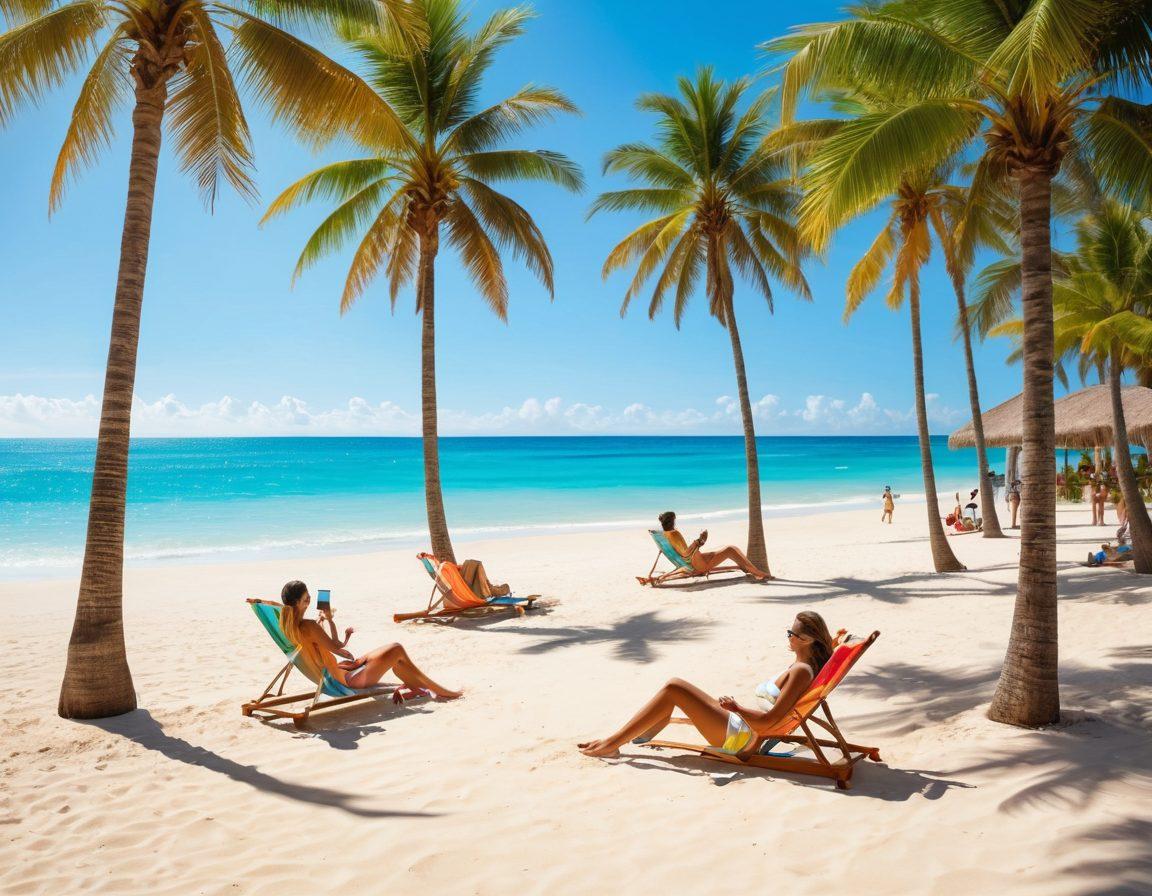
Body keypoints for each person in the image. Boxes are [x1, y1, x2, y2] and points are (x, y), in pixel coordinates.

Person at [577, 611, 835, 758]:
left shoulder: (801, 671)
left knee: (673, 688)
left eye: (792, 634)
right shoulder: (804, 665)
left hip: (744, 739)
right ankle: (641, 730)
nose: (788, 637)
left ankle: (612, 744)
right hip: (746, 728)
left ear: (808, 640)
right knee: (675, 688)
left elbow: (770, 721)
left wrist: (737, 709)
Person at [278, 580, 461, 698]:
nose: (309, 600)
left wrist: (326, 623)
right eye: (306, 598)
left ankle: (418, 686)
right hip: (347, 681)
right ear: (296, 603)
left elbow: (326, 647)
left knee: (394, 656)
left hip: (338, 673)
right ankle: (440, 691)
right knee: (396, 649)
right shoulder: (309, 626)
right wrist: (329, 621)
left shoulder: (287, 626)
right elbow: (338, 647)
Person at [641, 511, 772, 582]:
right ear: (673, 521)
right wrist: (699, 540)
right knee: (731, 549)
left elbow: (682, 553)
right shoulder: (674, 533)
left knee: (730, 549)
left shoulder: (664, 535)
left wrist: (699, 543)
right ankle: (759, 573)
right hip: (696, 565)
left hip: (690, 562)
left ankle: (751, 569)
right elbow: (686, 553)